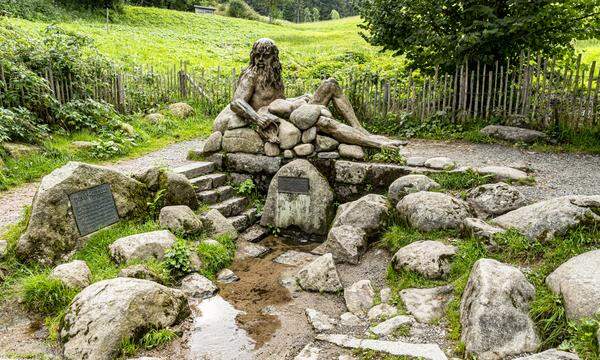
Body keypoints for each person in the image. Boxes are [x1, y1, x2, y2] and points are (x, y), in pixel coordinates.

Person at [222, 38, 402, 149]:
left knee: (330, 84)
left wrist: (299, 99)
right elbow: (236, 102)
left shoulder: (274, 74)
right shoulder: (251, 75)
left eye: (266, 55)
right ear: (252, 56)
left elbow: (279, 101)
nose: (260, 60)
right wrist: (256, 118)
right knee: (324, 122)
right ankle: (376, 144)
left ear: (274, 58)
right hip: (279, 119)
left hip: (290, 110)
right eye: (257, 55)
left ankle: (360, 129)